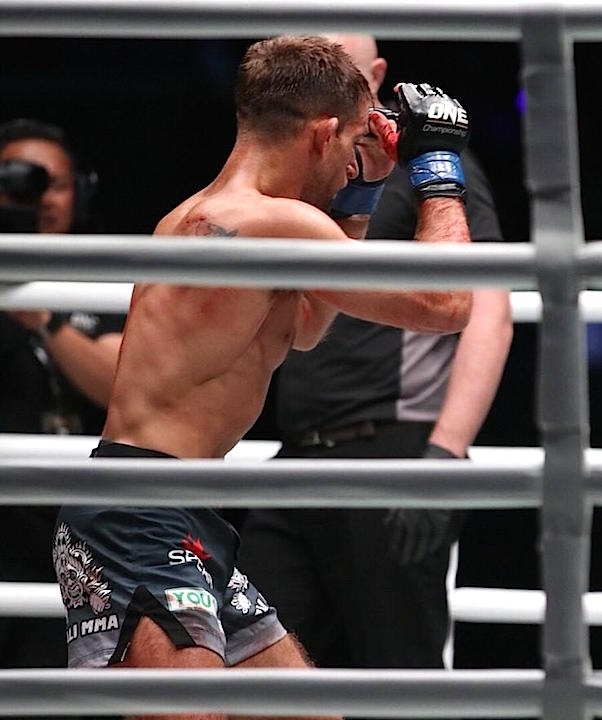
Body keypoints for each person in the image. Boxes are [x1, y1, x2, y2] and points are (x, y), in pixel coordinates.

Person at [50, 35, 473, 712]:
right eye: (350, 147)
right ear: (322, 133)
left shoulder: (197, 217)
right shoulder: (275, 224)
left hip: (175, 511)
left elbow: (303, 329)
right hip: (141, 514)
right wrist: (441, 168)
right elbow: (447, 304)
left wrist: (363, 194)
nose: (350, 163)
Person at [237, 33, 512, 674]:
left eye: (338, 61)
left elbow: (487, 310)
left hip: (391, 449)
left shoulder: (428, 162)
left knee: (398, 675)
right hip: (298, 453)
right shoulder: (298, 165)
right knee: (253, 664)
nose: (322, 73)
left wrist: (445, 456)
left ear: (376, 73)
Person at [0, 119, 123, 682]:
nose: (39, 198)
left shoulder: (102, 281)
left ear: (81, 191)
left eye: (54, 183)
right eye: (19, 180)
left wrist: (43, 319)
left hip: (81, 531)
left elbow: (118, 382)